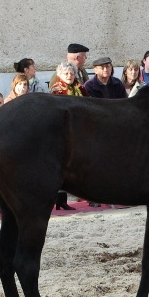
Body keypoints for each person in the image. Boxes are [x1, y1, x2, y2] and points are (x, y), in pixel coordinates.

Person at [48, 62, 87, 210]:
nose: (69, 76)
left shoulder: (80, 87)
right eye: (66, 73)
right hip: (62, 130)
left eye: (71, 73)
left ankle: (63, 200)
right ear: (60, 75)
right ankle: (57, 199)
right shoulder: (57, 90)